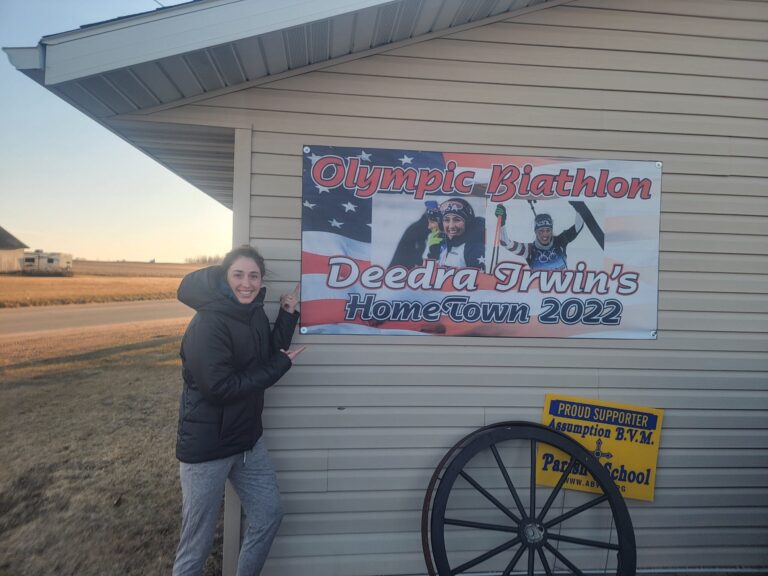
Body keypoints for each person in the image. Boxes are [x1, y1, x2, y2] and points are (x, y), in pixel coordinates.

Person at [172, 245, 305, 576]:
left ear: (261, 282)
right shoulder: (207, 324)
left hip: (247, 443)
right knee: (197, 544)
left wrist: (287, 316)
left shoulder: (255, 313)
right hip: (207, 450)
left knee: (268, 515)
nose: (246, 283)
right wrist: (279, 367)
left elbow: (264, 356)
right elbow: (220, 388)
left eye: (254, 276)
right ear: (224, 277)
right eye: (238, 275)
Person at [494, 204, 583, 270]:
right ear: (536, 232)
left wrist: (578, 207)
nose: (545, 234)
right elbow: (506, 243)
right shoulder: (529, 249)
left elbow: (578, 227)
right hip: (538, 293)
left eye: (548, 230)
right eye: (541, 231)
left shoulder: (560, 241)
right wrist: (502, 222)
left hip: (561, 292)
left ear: (551, 231)